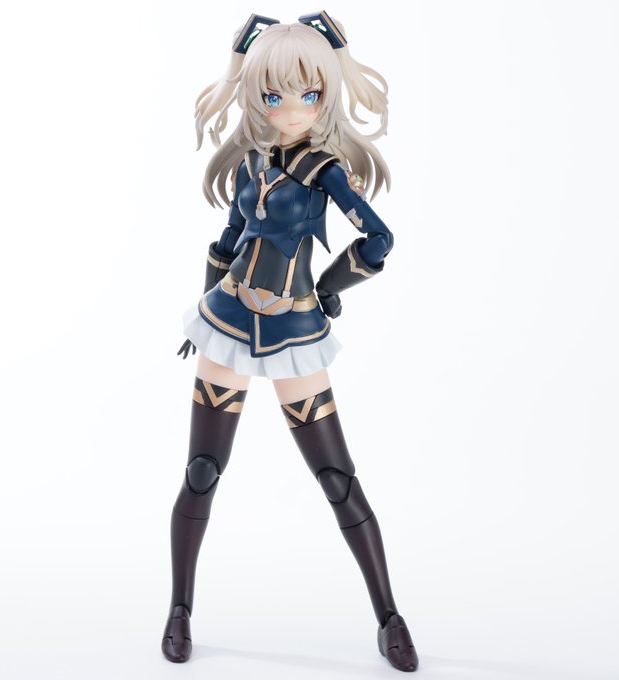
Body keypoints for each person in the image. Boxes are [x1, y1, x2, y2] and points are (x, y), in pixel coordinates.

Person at [161, 12, 419, 672]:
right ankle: (180, 609)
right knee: (202, 471)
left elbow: (380, 240)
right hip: (225, 322)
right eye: (274, 94)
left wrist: (331, 287)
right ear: (255, 94)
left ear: (327, 91)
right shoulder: (251, 163)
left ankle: (389, 616)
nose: (293, 108)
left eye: (310, 92)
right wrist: (202, 307)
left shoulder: (325, 171)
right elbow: (228, 242)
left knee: (336, 477)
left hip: (294, 326)